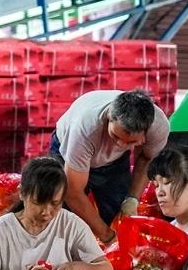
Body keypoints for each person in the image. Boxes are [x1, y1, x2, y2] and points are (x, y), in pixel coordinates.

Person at [51, 88, 170, 243]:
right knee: (66, 217)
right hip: (68, 149)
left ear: (146, 133)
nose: (121, 144)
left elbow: (146, 158)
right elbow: (73, 192)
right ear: (109, 117)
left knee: (118, 209)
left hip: (114, 161)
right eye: (116, 136)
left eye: (131, 142)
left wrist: (132, 199)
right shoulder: (85, 129)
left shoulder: (159, 127)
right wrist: (107, 236)